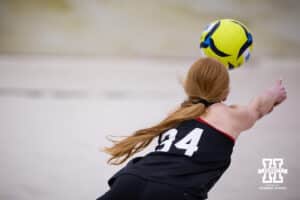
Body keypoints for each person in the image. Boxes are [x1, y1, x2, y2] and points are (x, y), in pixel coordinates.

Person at [96, 57, 287, 200]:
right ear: (226, 92)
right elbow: (258, 107)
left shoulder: (177, 112)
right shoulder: (229, 116)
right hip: (174, 191)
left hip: (131, 180)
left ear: (188, 87)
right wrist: (273, 94)